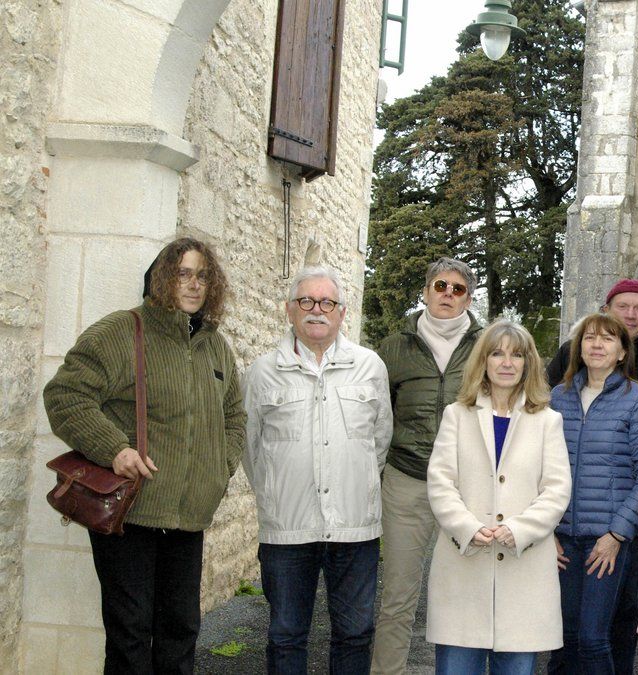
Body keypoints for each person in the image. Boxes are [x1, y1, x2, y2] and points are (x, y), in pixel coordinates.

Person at [43, 237, 245, 674]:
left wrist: (221, 466)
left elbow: (234, 416)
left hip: (189, 516)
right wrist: (114, 448)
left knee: (180, 630)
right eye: (183, 273)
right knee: (130, 634)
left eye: (203, 275)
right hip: (132, 512)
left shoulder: (215, 346)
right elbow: (65, 396)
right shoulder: (121, 331)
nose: (194, 285)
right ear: (161, 278)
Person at [242, 266, 392, 674]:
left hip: (354, 528)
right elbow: (251, 448)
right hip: (287, 528)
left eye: (327, 302)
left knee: (355, 632)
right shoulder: (262, 372)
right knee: (286, 635)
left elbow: (379, 442)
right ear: (290, 310)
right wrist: (277, 492)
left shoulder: (369, 367)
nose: (317, 310)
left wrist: (354, 484)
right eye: (306, 301)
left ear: (342, 312)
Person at [425, 320, 572, 674]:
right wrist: (467, 527)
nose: (507, 363)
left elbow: (556, 489)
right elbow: (441, 481)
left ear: (528, 364)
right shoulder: (457, 416)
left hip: (524, 573)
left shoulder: (547, 421)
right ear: (484, 362)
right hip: (464, 569)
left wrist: (519, 530)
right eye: (497, 353)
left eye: (517, 355)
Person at [545, 278, 638, 674]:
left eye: (607, 340)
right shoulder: (557, 398)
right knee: (562, 638)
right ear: (578, 347)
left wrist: (617, 535)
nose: (597, 345)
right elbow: (538, 467)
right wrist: (546, 533)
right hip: (561, 538)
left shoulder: (637, 397)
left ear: (620, 352)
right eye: (590, 338)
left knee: (595, 640)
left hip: (606, 541)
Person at [373, 257, 483, 673]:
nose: (448, 295)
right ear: (425, 291)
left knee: (462, 594)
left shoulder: (486, 345)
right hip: (406, 479)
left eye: (458, 289)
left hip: (465, 485)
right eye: (441, 286)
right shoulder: (394, 347)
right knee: (398, 596)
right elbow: (376, 413)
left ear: (468, 298)